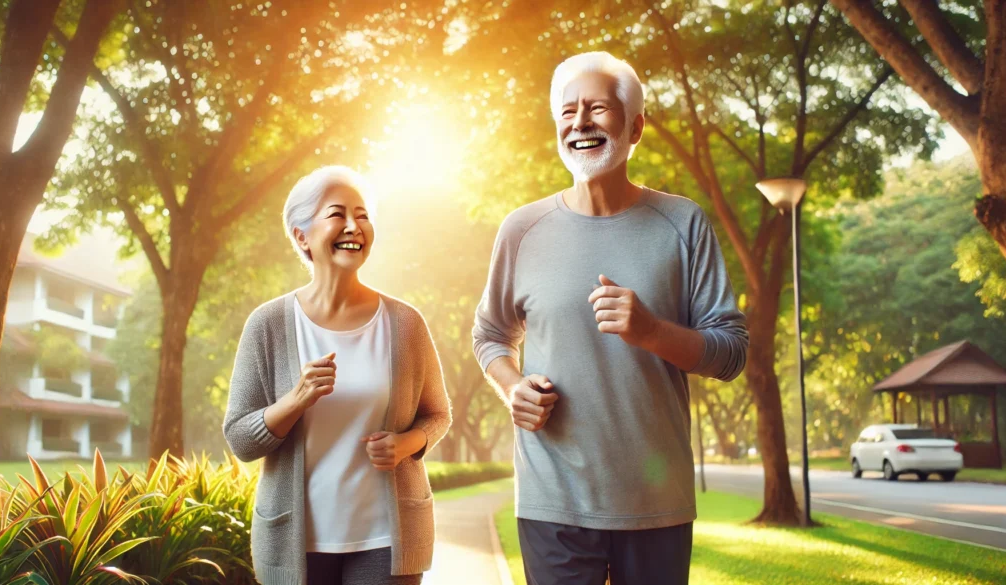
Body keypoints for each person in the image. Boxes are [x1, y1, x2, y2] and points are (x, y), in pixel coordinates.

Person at [472, 51, 749, 585]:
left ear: (635, 125)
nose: (579, 123)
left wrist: (651, 331)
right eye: (568, 111)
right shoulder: (521, 229)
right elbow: (490, 335)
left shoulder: (682, 223)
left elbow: (732, 352)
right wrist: (512, 388)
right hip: (551, 499)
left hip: (656, 500)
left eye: (597, 108)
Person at [223, 166, 452, 585]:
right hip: (296, 545)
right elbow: (240, 438)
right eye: (337, 214)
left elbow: (437, 415)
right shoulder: (268, 324)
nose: (354, 226)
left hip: (387, 541)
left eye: (362, 215)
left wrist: (406, 444)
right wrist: (295, 400)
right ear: (301, 236)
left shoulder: (405, 323)